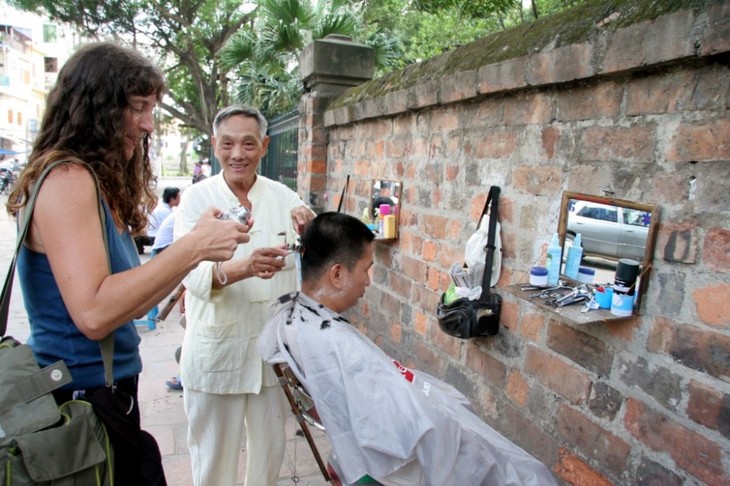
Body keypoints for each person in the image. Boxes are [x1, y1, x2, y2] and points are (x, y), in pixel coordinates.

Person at [6, 42, 250, 485]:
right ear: (94, 107)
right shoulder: (66, 180)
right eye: (137, 108)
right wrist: (193, 246)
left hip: (108, 392)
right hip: (76, 400)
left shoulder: (94, 182)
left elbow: (134, 305)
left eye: (151, 108)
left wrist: (200, 250)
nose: (146, 123)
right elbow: (96, 314)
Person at [258, 212, 558, 486]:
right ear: (337, 274)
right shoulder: (335, 343)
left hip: (395, 421)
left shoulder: (295, 319)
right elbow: (417, 436)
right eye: (366, 269)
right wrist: (443, 416)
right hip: (401, 461)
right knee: (526, 473)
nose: (368, 281)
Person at [174, 104, 316, 486]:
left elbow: (311, 246)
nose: (238, 154)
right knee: (213, 460)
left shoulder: (283, 195)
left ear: (265, 146)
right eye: (228, 144)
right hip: (216, 351)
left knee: (269, 459)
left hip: (271, 352)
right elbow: (188, 272)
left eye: (248, 144)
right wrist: (244, 268)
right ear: (214, 145)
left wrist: (309, 223)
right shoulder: (197, 200)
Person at [135, 186, 180, 254]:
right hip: (156, 238)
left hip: (156, 237)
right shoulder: (164, 211)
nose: (180, 200)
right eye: (178, 197)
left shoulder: (165, 208)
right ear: (172, 199)